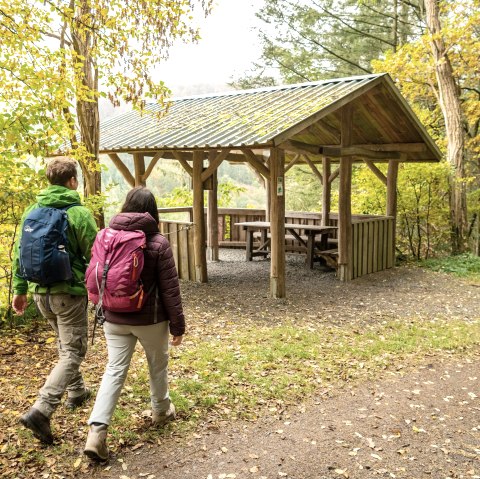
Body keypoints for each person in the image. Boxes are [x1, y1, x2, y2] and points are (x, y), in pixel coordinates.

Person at [84, 186, 185, 462]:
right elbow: (170, 289)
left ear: (126, 206)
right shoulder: (158, 242)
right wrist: (178, 326)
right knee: (157, 364)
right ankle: (161, 410)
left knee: (114, 370)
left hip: (113, 317)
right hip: (149, 319)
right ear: (153, 211)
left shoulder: (108, 235)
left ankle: (97, 431)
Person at [12, 156, 98, 445]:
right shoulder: (78, 213)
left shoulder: (31, 211)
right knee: (73, 352)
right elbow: (95, 255)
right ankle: (42, 410)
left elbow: (19, 254)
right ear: (72, 181)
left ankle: (77, 392)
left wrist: (20, 289)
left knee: (65, 347)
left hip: (40, 294)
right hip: (68, 294)